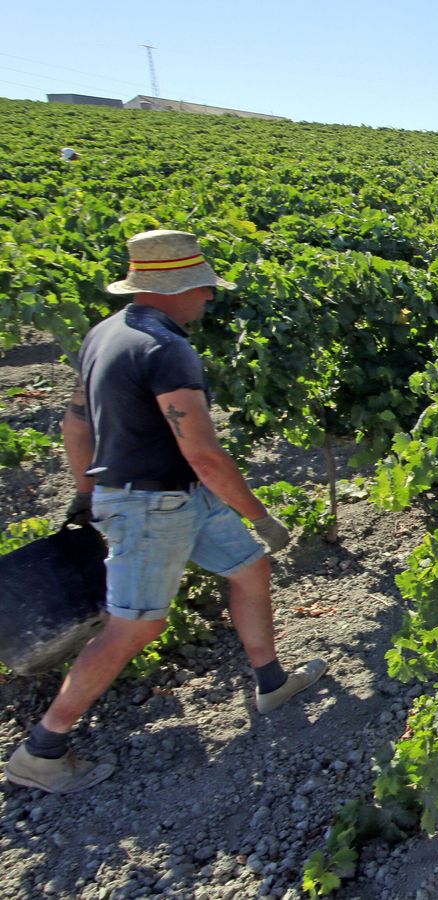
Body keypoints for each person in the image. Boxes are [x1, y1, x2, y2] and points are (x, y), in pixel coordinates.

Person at [4, 230, 327, 795]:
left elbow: (75, 424)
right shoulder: (166, 350)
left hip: (180, 496)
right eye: (202, 286)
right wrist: (258, 516)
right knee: (137, 625)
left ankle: (272, 682)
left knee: (250, 569)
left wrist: (86, 492)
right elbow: (204, 453)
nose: (209, 296)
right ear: (176, 288)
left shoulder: (106, 333)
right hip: (152, 506)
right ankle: (42, 749)